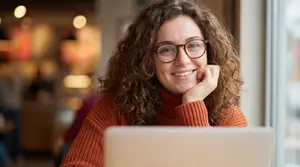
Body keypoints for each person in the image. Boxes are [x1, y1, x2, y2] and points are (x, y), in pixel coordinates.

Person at [61, 0, 248, 166]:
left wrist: (193, 104)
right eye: (166, 49)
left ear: (209, 50)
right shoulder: (115, 108)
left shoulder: (229, 118)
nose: (183, 60)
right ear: (147, 60)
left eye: (193, 45)